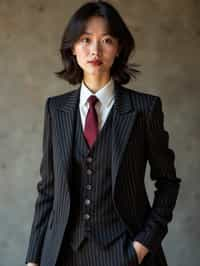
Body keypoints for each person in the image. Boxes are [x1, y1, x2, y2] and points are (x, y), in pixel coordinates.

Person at [25, 1, 181, 266]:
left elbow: (167, 182)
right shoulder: (56, 109)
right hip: (63, 254)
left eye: (106, 39)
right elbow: (48, 191)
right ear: (73, 48)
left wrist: (141, 246)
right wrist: (33, 259)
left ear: (119, 48)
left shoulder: (145, 109)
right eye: (85, 40)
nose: (95, 50)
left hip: (126, 253)